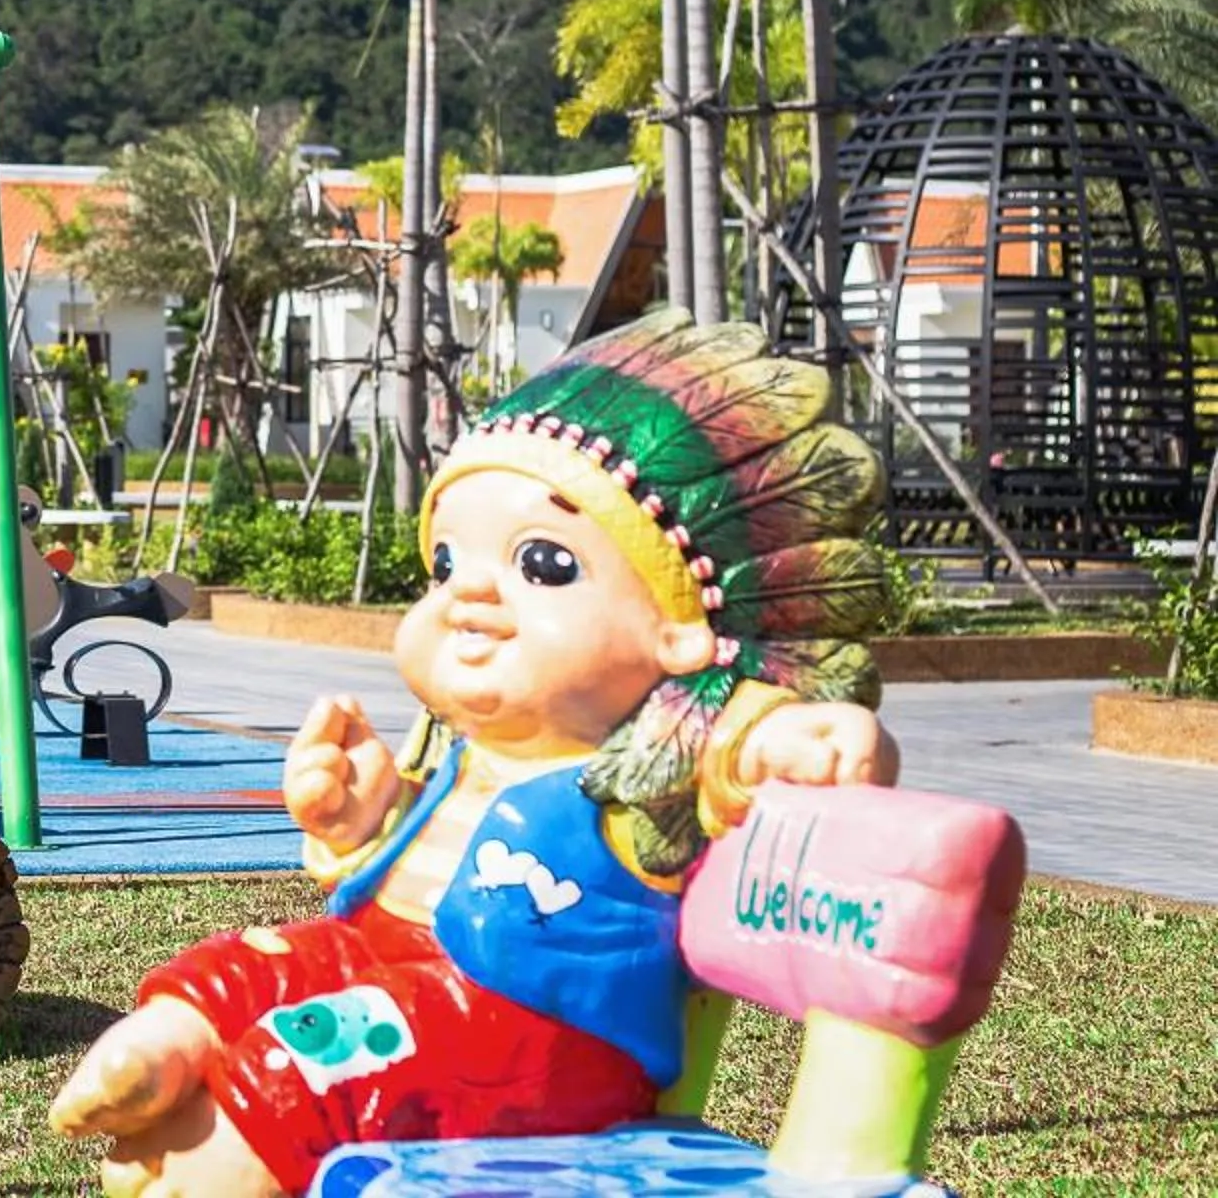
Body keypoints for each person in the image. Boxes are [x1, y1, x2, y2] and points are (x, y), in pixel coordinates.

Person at [50, 309, 901, 1198]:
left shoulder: (661, 753)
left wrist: (804, 740)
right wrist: (366, 821)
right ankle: (170, 1042)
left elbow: (757, 745)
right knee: (253, 962)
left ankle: (225, 1153)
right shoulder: (468, 757)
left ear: (681, 627)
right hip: (394, 964)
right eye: (447, 563)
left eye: (544, 564)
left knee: (320, 1048)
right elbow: (401, 879)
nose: (470, 595)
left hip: (544, 1037)